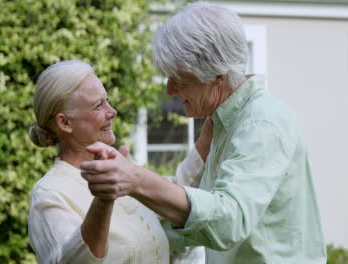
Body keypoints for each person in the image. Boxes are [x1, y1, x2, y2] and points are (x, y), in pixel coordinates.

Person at [80, 2, 327, 264]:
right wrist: (113, 225)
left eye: (178, 77)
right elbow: (195, 224)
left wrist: (136, 180)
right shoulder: (224, 123)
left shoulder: (261, 122)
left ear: (217, 74)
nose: (169, 89)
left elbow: (229, 221)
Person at [28, 60, 172, 264]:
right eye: (98, 105)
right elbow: (72, 261)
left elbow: (171, 196)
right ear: (65, 122)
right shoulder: (49, 194)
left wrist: (210, 130)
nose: (112, 111)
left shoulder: (119, 171)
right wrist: (104, 200)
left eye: (107, 100)